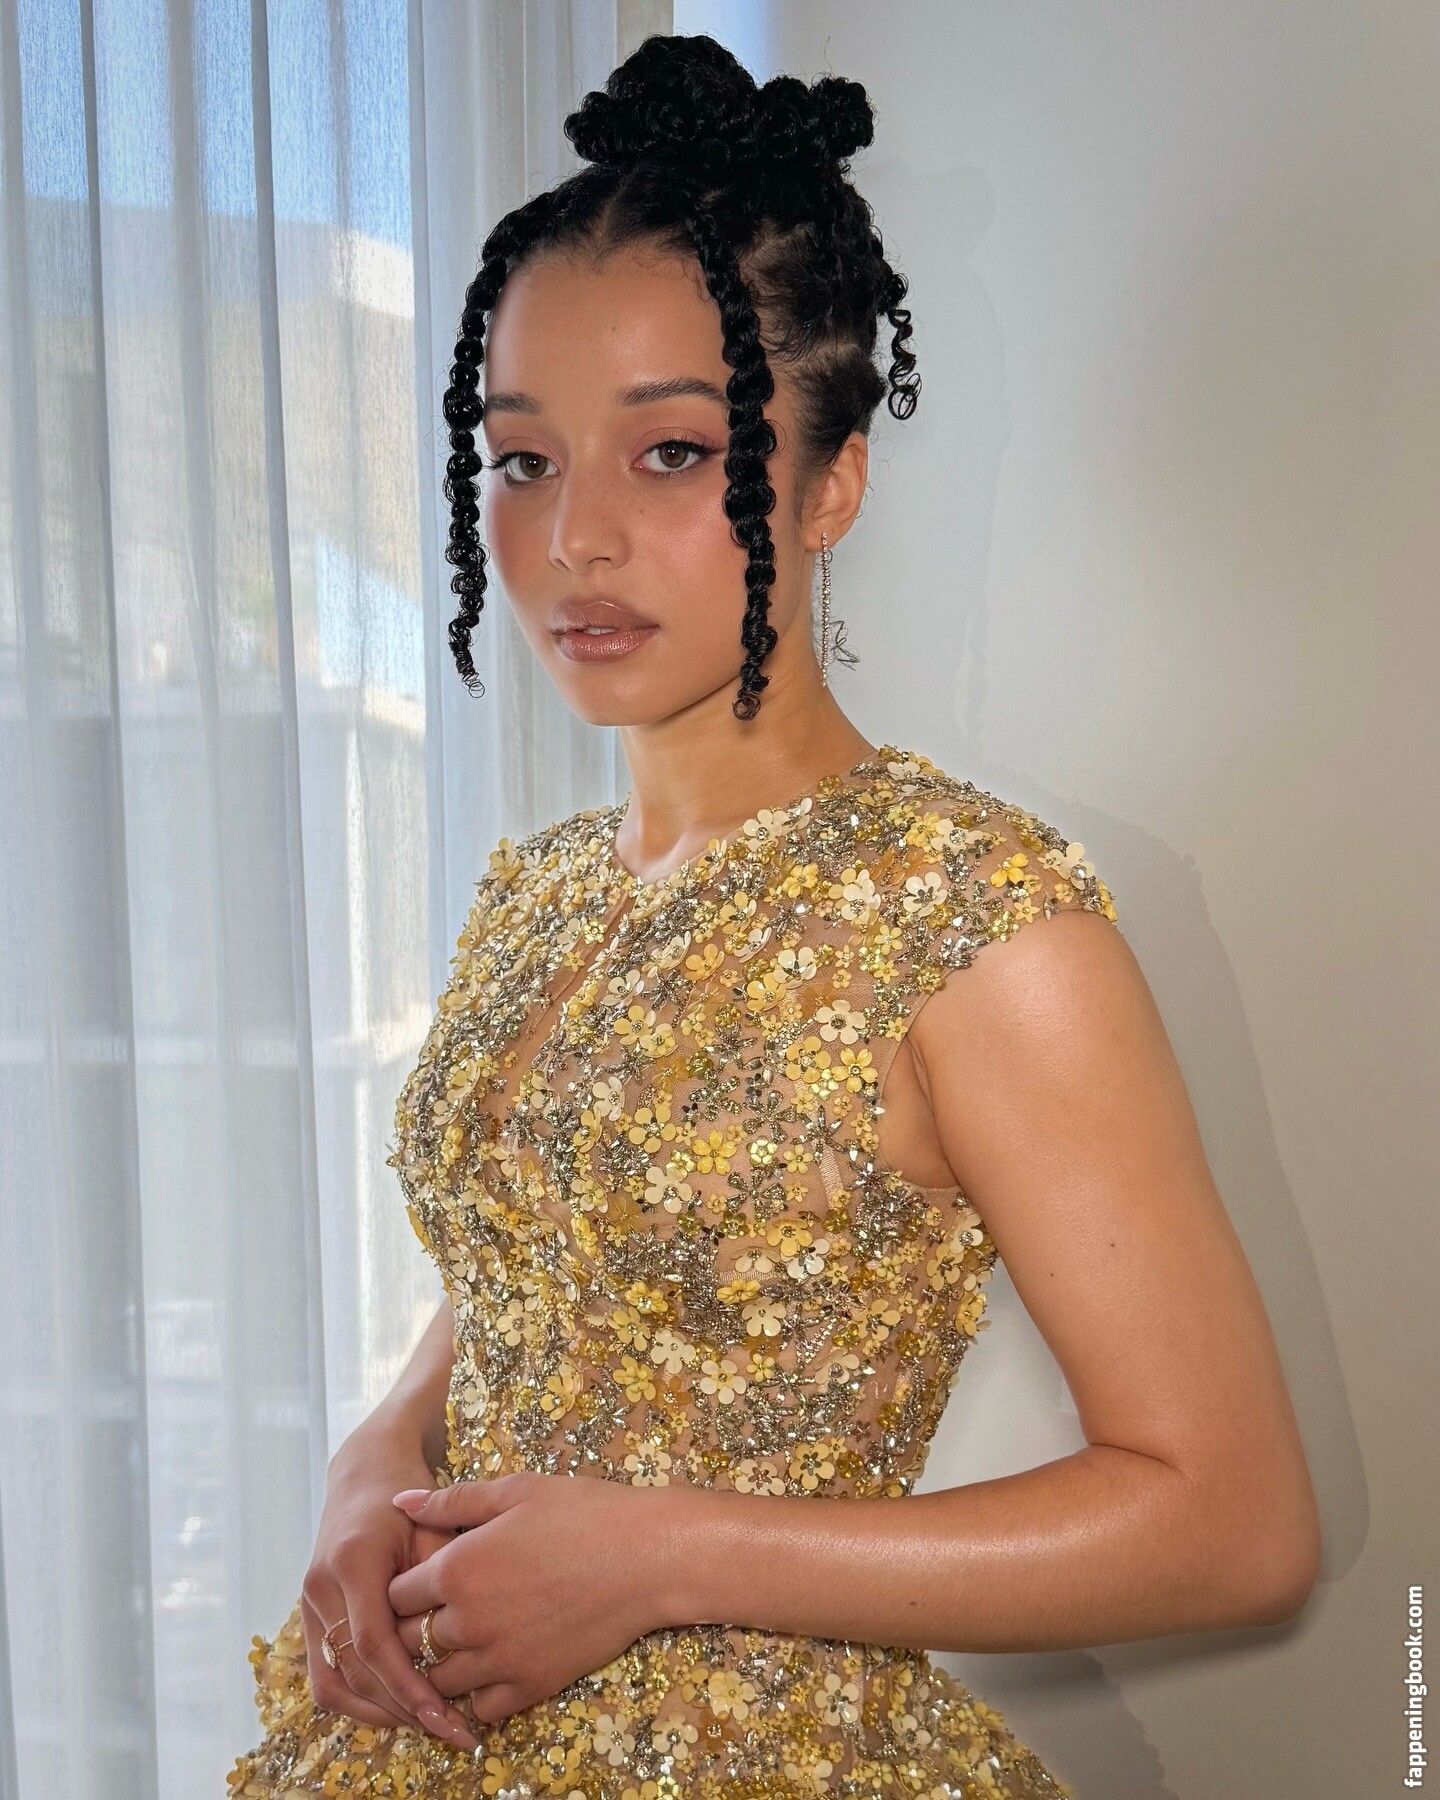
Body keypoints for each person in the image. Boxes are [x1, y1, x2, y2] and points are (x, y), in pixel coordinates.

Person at [227, 33, 1319, 1799]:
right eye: (521, 462)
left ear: (830, 485)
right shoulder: (539, 894)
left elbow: (1235, 1521)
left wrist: (662, 1557)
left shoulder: (974, 920)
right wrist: (380, 1453)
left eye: (671, 454)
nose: (573, 540)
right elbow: (538, 1279)